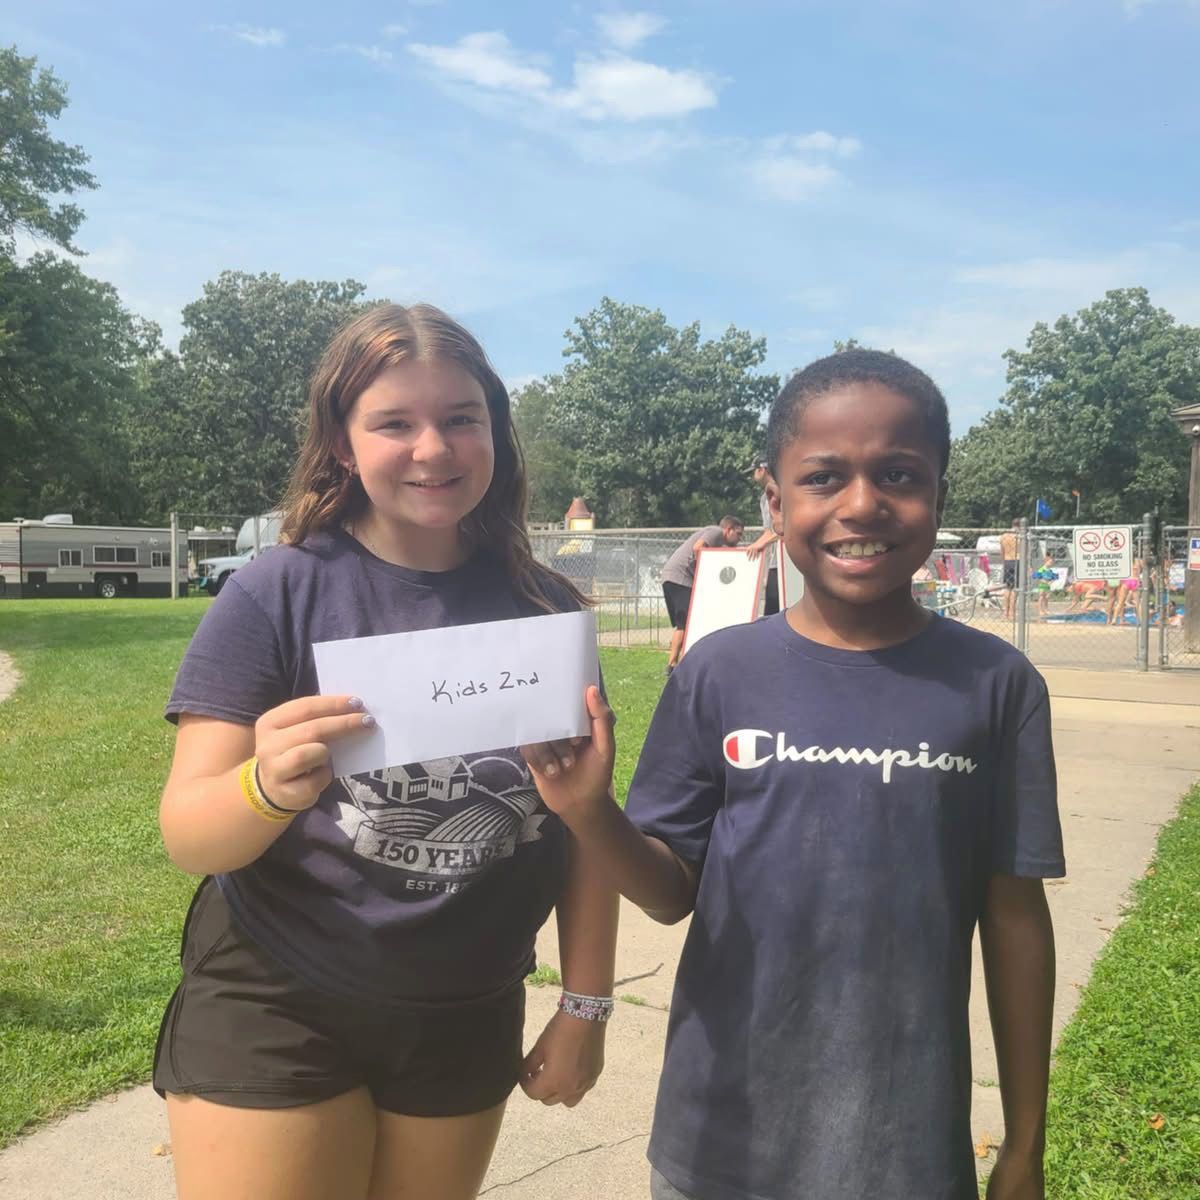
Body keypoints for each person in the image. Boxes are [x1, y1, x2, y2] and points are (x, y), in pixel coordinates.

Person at [522, 349, 1064, 1200]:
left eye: (898, 474)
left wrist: (1024, 1145)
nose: (861, 505)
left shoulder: (995, 686)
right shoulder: (718, 672)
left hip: (907, 1148)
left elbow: (1016, 918)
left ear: (939, 495)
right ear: (774, 500)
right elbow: (670, 893)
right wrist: (591, 813)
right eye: (823, 477)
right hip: (720, 1141)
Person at [153, 303, 619, 1200]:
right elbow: (190, 838)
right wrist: (264, 787)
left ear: (496, 431)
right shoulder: (275, 593)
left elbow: (578, 828)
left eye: (461, 419)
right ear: (340, 441)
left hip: (466, 1007)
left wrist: (585, 1006)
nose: (433, 450)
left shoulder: (546, 611)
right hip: (279, 995)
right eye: (394, 423)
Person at [660, 516, 745, 673]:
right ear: (728, 529)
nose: (739, 539)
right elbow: (698, 548)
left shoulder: (718, 541)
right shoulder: (716, 532)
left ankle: (673, 664)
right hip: (681, 578)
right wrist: (709, 570)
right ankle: (674, 665)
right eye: (738, 534)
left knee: (683, 624)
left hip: (672, 577)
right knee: (687, 623)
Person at [744, 460, 781, 615]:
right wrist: (752, 547)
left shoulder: (785, 491)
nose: (753, 476)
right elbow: (769, 531)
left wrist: (762, 544)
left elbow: (784, 528)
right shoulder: (764, 499)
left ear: (762, 469)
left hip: (788, 561)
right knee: (771, 609)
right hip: (775, 562)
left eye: (754, 471)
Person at [1000, 519, 1020, 620]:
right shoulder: (1019, 536)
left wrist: (1004, 562)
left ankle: (1005, 613)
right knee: (1015, 589)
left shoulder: (1004, 536)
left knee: (1007, 588)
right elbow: (1023, 551)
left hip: (1007, 561)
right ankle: (1012, 613)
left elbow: (1002, 551)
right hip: (1017, 560)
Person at [1032, 554, 1057, 620]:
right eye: (1050, 562)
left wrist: (1051, 582)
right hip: (1042, 585)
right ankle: (1040, 610)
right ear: (1046, 562)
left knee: (1047, 597)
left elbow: (1053, 577)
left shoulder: (1049, 570)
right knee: (1041, 597)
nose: (1051, 564)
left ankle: (1046, 609)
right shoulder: (1042, 569)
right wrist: (1044, 581)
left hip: (1048, 585)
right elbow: (1037, 577)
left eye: (1052, 562)